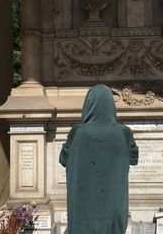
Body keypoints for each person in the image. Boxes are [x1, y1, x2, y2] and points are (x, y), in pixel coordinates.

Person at [59, 84, 139, 234]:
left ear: (88, 105)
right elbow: (134, 158)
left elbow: (63, 159)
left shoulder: (76, 132)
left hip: (82, 211)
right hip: (113, 209)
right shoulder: (124, 133)